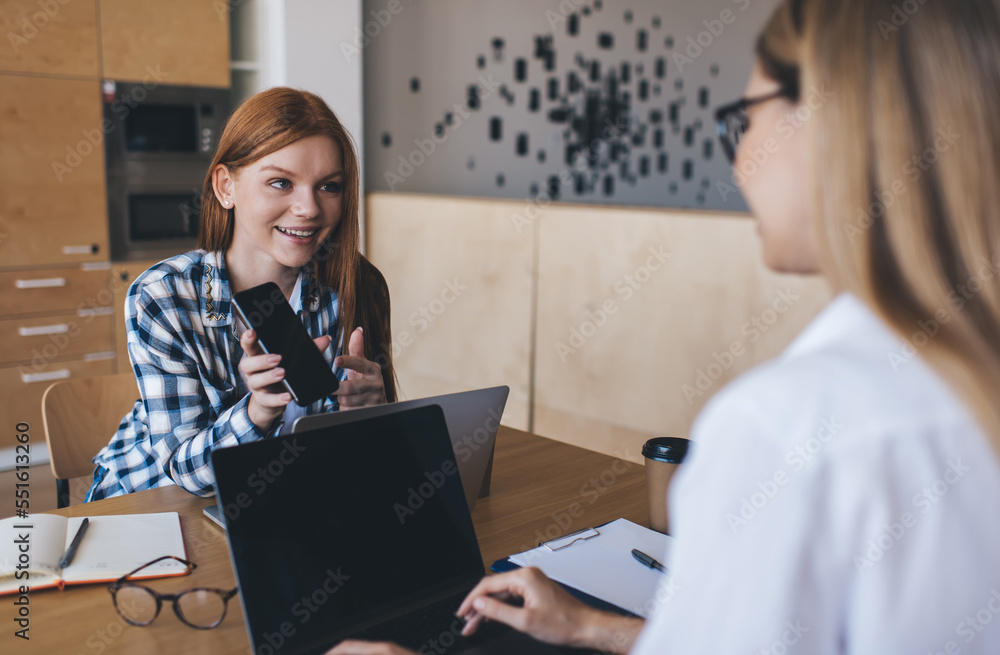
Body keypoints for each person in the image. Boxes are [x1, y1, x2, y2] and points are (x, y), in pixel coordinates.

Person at [328, 0, 1000, 652]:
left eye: (745, 119)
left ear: (835, 126)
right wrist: (593, 626)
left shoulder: (781, 428)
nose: (737, 161)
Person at [87, 88, 397, 501]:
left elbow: (360, 459)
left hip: (283, 502)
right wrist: (257, 412)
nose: (308, 208)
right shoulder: (163, 296)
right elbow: (187, 473)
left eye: (328, 186)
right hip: (156, 505)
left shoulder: (358, 286)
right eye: (281, 182)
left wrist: (370, 414)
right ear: (225, 187)